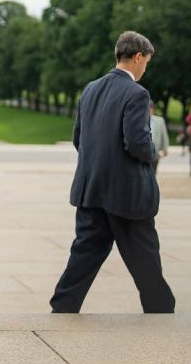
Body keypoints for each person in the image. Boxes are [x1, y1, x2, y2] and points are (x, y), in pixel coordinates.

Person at [51, 31, 174, 314]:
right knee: (144, 258)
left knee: (84, 254)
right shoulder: (137, 93)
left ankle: (63, 306)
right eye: (146, 62)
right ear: (139, 56)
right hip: (126, 194)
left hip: (91, 189)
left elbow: (78, 139)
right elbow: (138, 144)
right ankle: (161, 310)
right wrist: (153, 153)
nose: (145, 69)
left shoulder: (90, 89)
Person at [148, 102, 168, 174]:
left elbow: (164, 135)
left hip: (155, 150)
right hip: (144, 150)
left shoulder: (160, 120)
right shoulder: (140, 120)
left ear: (153, 109)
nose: (149, 110)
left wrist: (165, 149)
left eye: (150, 108)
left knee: (153, 172)